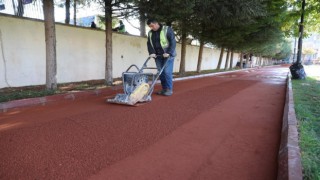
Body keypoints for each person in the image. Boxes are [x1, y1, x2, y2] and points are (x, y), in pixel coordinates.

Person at [147, 19, 176, 96]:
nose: (151, 28)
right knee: (161, 73)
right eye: (150, 27)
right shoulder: (150, 33)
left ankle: (169, 89)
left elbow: (173, 42)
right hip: (158, 56)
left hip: (168, 55)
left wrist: (169, 52)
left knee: (167, 72)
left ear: (156, 23)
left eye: (152, 26)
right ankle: (164, 89)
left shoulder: (167, 29)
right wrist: (151, 53)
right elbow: (149, 44)